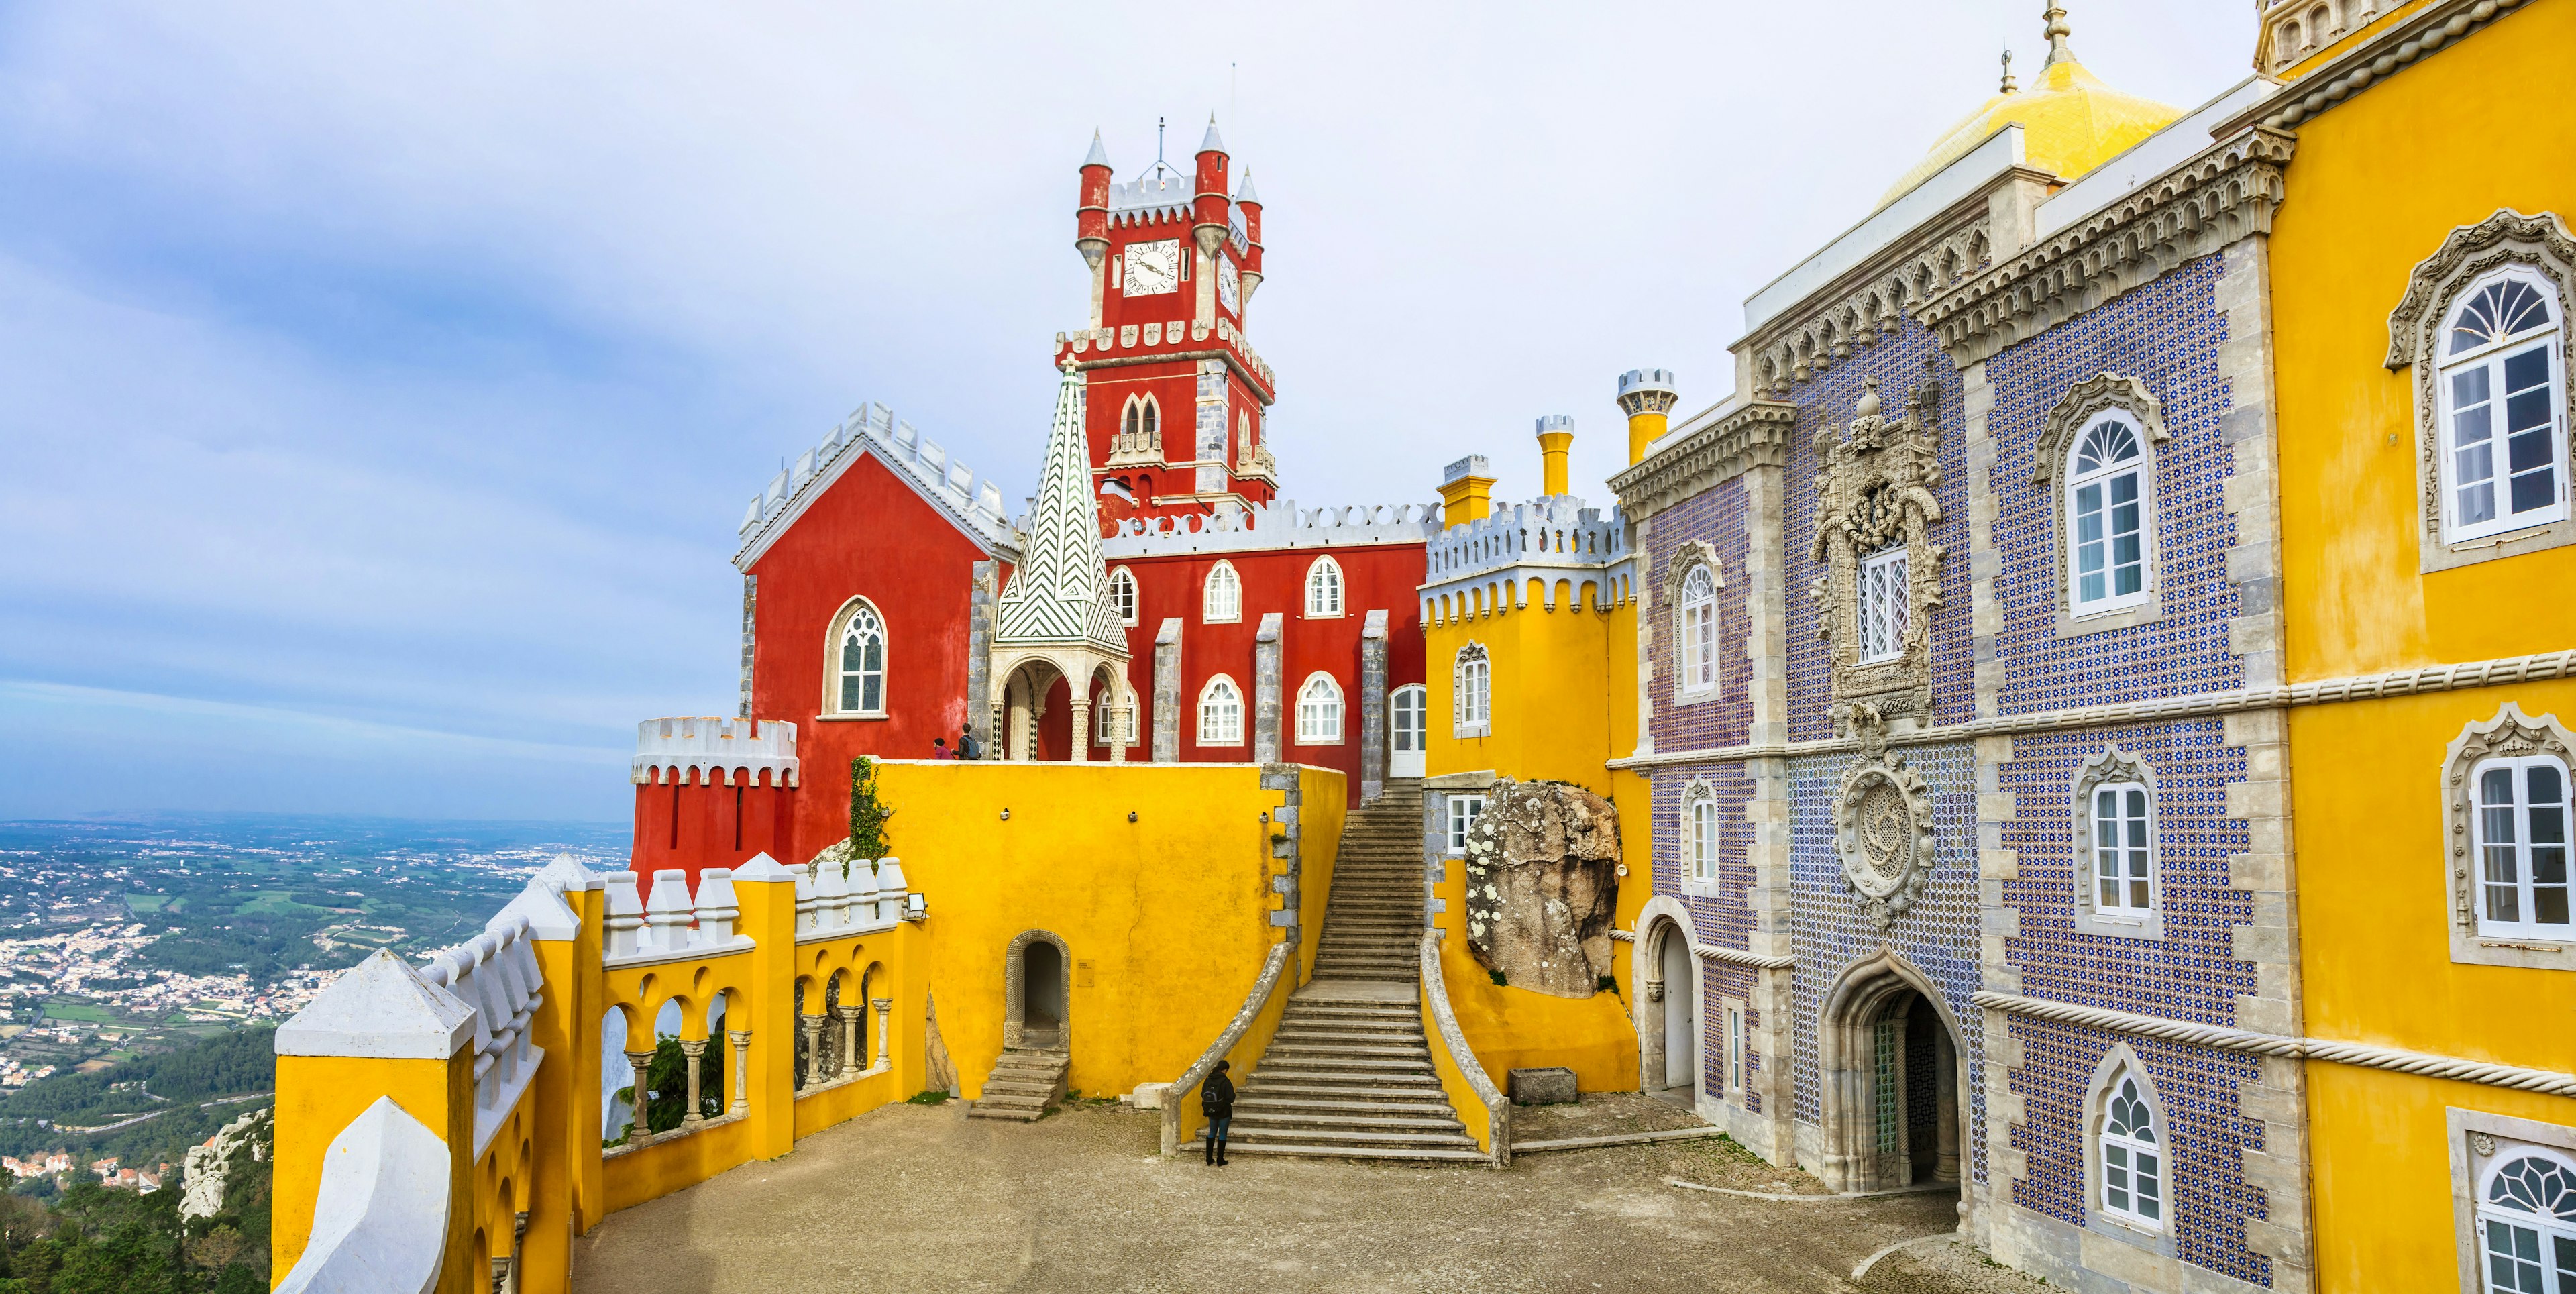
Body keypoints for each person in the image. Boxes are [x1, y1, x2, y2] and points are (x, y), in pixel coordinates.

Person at [1201, 1059, 1235, 1167]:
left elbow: (1203, 1094)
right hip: (1224, 1111)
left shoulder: (1209, 1079)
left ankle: (1209, 1158)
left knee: (1211, 1133)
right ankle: (1220, 1159)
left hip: (1211, 1111)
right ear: (1225, 1070)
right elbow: (1231, 1098)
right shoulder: (1225, 1081)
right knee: (1222, 1134)